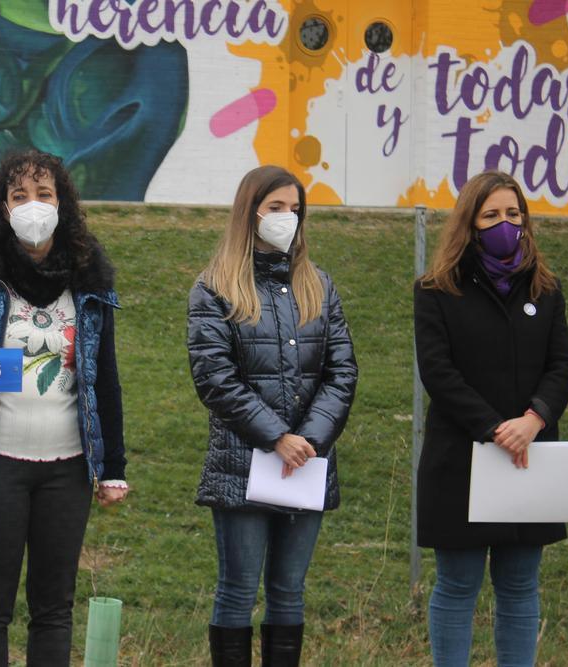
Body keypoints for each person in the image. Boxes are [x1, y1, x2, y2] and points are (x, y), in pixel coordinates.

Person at [0, 150, 129, 665]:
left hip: (68, 466)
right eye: (20, 196)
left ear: (62, 204)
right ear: (2, 207)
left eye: (44, 194)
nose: (33, 206)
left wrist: (113, 467)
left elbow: (103, 377)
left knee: (54, 608)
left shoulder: (88, 280)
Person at [187, 165, 358, 666]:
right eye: (276, 208)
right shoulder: (215, 288)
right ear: (250, 212)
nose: (287, 218)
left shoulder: (319, 287)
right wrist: (276, 436)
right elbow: (214, 378)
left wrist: (309, 440)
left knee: (289, 591)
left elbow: (342, 371)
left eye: (295, 209)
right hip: (243, 464)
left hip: (306, 463)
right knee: (237, 590)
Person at [414, 170, 568, 666]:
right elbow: (438, 373)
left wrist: (534, 419)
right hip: (460, 461)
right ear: (470, 222)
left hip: (531, 458)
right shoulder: (437, 290)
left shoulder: (545, 289)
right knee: (458, 586)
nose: (505, 223)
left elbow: (562, 364)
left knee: (521, 585)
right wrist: (494, 428)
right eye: (491, 215)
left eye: (513, 213)